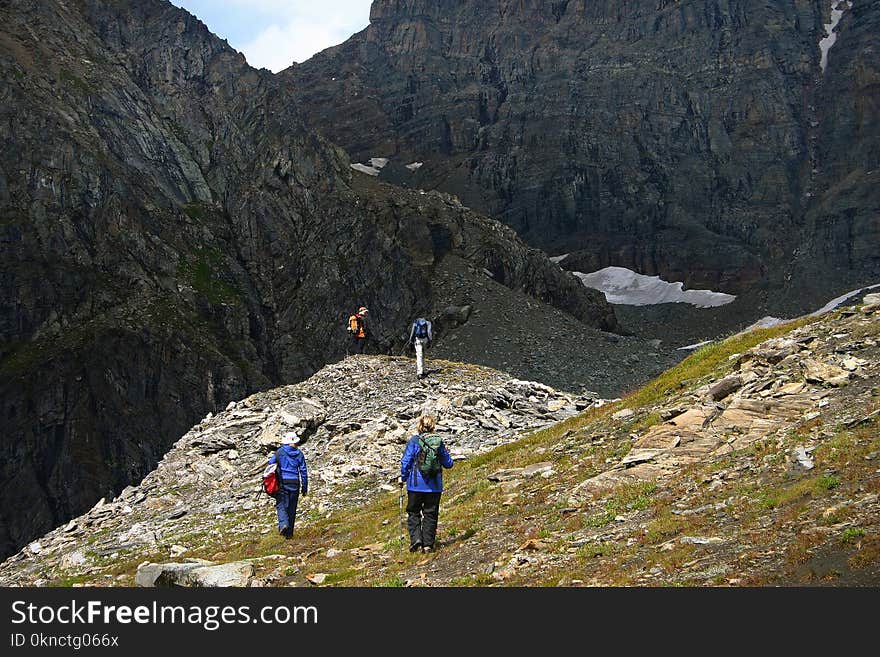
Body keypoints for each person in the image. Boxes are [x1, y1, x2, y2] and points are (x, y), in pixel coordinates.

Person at [398, 415, 453, 553]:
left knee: (413, 512)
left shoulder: (414, 441)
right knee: (430, 514)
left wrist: (403, 477)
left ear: (419, 426)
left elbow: (406, 461)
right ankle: (428, 545)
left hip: (415, 485)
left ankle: (416, 539)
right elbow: (448, 464)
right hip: (434, 485)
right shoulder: (438, 442)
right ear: (433, 426)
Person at [268, 431, 308, 539]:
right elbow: (303, 471)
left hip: (283, 483)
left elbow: (270, 464)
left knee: (281, 505)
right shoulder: (299, 453)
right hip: (295, 483)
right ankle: (289, 534)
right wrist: (304, 487)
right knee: (292, 508)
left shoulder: (280, 452)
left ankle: (283, 525)